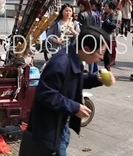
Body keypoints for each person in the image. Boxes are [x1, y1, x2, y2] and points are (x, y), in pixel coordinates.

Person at [19, 26, 116, 156]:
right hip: (50, 127)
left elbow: (71, 83)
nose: (102, 57)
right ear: (86, 49)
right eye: (101, 52)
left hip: (61, 122)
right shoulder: (61, 63)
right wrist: (75, 107)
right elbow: (46, 94)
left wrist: (97, 79)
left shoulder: (73, 57)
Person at [77, 0, 99, 73]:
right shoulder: (94, 14)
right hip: (93, 36)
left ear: (81, 5)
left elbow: (79, 26)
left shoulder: (82, 14)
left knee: (80, 54)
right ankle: (91, 72)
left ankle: (80, 70)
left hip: (84, 36)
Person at [101, 0, 120, 70]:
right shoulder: (107, 14)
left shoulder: (114, 15)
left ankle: (107, 68)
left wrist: (105, 21)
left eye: (106, 6)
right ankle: (106, 67)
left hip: (110, 37)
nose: (105, 8)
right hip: (105, 36)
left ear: (111, 7)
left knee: (108, 53)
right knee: (105, 53)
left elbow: (114, 25)